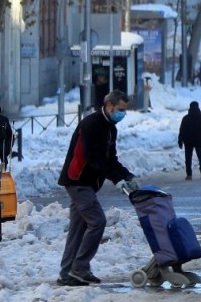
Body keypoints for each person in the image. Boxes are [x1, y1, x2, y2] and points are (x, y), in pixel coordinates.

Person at [57, 90, 139, 286]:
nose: (123, 114)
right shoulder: (90, 125)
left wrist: (126, 176)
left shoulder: (111, 128)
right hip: (78, 180)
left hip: (88, 183)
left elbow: (111, 159)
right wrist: (114, 179)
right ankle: (80, 268)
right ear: (109, 106)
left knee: (78, 228)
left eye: (125, 111)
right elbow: (94, 159)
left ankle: (67, 272)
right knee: (97, 221)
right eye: (120, 109)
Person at [178, 101, 201, 180]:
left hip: (188, 141)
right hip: (200, 141)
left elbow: (182, 130)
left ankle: (189, 174)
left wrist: (180, 140)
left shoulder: (186, 118)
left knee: (188, 158)